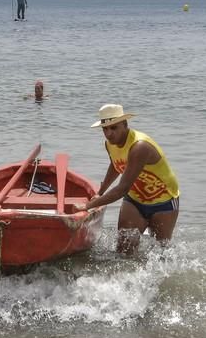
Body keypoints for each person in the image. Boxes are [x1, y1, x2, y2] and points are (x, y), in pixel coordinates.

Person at [73, 104, 180, 254]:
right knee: (123, 251)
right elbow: (116, 165)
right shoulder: (110, 144)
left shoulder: (139, 146)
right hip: (135, 200)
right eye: (105, 129)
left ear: (125, 124)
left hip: (163, 200)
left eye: (114, 128)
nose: (109, 134)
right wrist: (101, 191)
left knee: (161, 252)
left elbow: (122, 189)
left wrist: (88, 205)